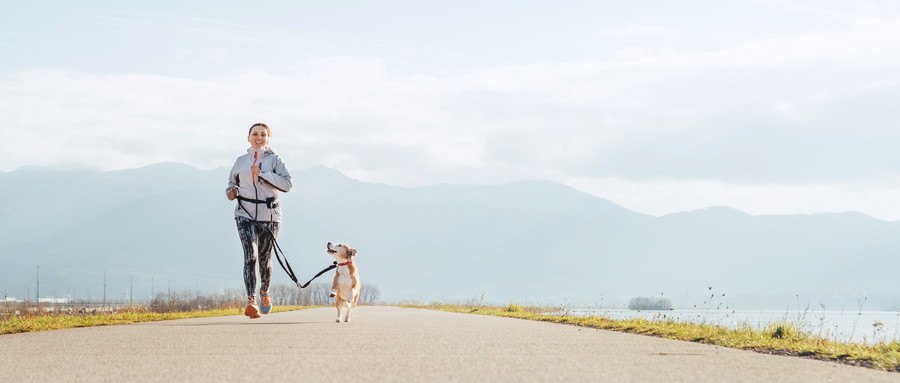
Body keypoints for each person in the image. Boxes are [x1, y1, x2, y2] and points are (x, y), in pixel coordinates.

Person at [226, 123, 293, 319]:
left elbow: (288, 184)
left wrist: (262, 174)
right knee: (250, 256)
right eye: (255, 134)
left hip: (269, 216)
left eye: (263, 134)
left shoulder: (274, 160)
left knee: (264, 259)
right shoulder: (240, 161)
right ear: (248, 138)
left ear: (268, 138)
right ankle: (251, 301)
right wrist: (230, 192)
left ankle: (264, 292)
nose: (259, 137)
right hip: (244, 214)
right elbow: (231, 182)